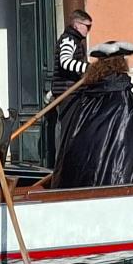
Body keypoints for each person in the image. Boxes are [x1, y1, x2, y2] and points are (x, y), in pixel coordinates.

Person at [52, 41, 133, 188]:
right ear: (122, 65)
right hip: (115, 187)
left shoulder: (85, 100)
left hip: (77, 186)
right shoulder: (132, 108)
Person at [46, 9, 94, 163]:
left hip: (73, 92)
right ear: (77, 25)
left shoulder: (75, 40)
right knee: (67, 130)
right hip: (67, 93)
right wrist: (88, 68)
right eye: (87, 26)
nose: (88, 30)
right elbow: (65, 62)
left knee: (72, 129)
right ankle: (63, 164)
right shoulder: (69, 40)